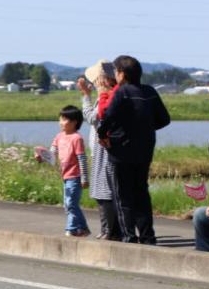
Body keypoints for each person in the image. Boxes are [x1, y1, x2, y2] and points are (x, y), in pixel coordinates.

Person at [98, 55, 170, 244]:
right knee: (141, 194)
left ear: (121, 74)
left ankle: (129, 237)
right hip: (144, 150)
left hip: (120, 151)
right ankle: (148, 237)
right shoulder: (150, 91)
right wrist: (144, 129)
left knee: (123, 197)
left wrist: (102, 135)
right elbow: (164, 119)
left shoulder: (122, 92)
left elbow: (108, 117)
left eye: (116, 71)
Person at [78, 60, 121, 240]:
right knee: (110, 191)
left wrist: (85, 96)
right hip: (106, 150)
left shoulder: (107, 96)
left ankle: (108, 231)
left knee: (103, 191)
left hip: (106, 151)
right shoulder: (113, 94)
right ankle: (114, 231)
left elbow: (93, 117)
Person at [39, 105, 91, 237]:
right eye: (60, 119)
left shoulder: (77, 138)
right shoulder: (59, 136)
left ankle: (71, 228)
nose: (60, 122)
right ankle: (83, 228)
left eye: (64, 119)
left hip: (75, 176)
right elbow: (52, 155)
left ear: (74, 122)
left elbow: (82, 159)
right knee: (68, 205)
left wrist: (84, 178)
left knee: (71, 203)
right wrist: (41, 156)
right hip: (65, 176)